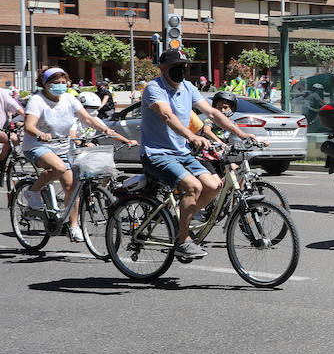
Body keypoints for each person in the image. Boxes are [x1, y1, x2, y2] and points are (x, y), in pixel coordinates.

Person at [140, 50, 256, 261]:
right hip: (156, 154)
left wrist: (241, 133)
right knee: (194, 187)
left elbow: (212, 113)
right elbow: (167, 115)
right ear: (162, 68)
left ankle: (183, 222)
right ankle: (183, 240)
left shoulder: (187, 87)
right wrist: (191, 136)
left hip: (181, 152)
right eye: (175, 66)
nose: (181, 70)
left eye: (184, 66)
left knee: (214, 186)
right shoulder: (154, 88)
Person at [21, 68, 136, 243]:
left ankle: (73, 226)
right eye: (55, 83)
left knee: (73, 188)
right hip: (38, 146)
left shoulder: (68, 98)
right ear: (44, 84)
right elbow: (29, 125)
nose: (60, 86)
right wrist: (39, 134)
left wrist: (105, 129)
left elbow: (87, 119)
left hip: (63, 148)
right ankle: (33, 192)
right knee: (58, 167)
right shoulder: (37, 100)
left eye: (63, 82)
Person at [0, 83, 25, 169]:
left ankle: (2, 163)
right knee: (8, 137)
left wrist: (29, 119)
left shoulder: (1, 92)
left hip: (3, 128)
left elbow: (16, 107)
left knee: (13, 138)